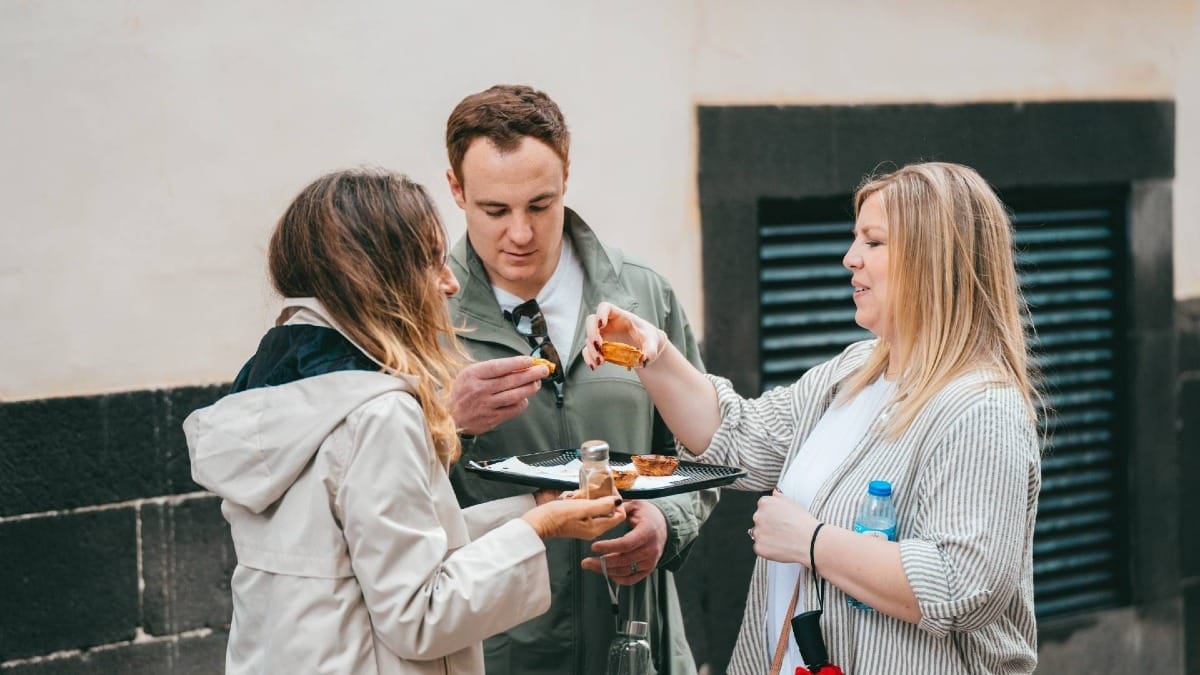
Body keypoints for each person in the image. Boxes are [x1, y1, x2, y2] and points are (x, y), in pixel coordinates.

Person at [583, 162, 1043, 675]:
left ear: (934, 258)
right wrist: (654, 353)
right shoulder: (854, 372)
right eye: (855, 241)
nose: (850, 259)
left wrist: (812, 542)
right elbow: (737, 437)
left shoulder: (981, 410)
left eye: (873, 242)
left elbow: (963, 585)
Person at [183, 169, 626, 675]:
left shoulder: (275, 388)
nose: (451, 282)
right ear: (382, 278)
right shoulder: (377, 414)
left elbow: (363, 557)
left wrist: (535, 504)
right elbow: (420, 615)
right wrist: (537, 528)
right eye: (434, 261)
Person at [442, 83, 718, 674]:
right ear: (456, 190)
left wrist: (666, 525)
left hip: (638, 642)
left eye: (540, 205)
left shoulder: (644, 292)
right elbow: (387, 497)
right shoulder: (416, 316)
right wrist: (443, 422)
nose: (520, 233)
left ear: (567, 175)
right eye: (495, 211)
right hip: (495, 650)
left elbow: (705, 447)